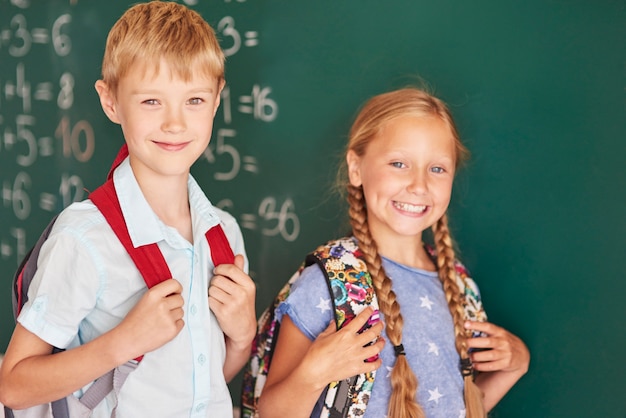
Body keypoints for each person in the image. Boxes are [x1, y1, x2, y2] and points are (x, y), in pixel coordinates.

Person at [0, 2, 256, 417]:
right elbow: (14, 385)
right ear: (111, 101)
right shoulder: (85, 238)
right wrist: (125, 341)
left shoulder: (221, 233)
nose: (175, 123)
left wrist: (243, 337)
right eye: (152, 101)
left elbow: (203, 383)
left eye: (193, 100)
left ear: (216, 100)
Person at [257, 88, 530, 418]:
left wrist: (515, 366)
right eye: (399, 163)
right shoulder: (331, 283)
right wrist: (315, 372)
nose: (419, 185)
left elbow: (457, 408)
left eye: (437, 168)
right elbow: (272, 413)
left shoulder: (459, 288)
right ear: (356, 168)